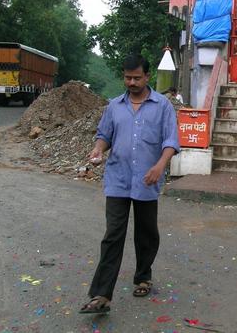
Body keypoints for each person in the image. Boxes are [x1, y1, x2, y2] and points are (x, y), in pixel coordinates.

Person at [80, 54, 180, 314]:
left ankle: (143, 276)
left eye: (137, 77)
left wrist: (160, 166)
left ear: (148, 76)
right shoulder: (114, 106)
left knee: (146, 233)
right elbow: (104, 135)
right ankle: (101, 295)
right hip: (118, 179)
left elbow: (171, 141)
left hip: (148, 180)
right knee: (113, 235)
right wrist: (97, 150)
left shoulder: (163, 106)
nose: (132, 82)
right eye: (127, 77)